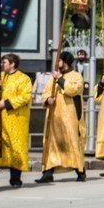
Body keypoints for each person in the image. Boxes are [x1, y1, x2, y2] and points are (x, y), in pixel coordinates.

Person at [36, 51, 86, 184]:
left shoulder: (76, 76)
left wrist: (60, 79)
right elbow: (45, 92)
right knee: (51, 144)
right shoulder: (53, 77)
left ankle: (80, 171)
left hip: (70, 116)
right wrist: (47, 100)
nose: (57, 63)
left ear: (65, 62)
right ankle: (47, 172)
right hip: (54, 117)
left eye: (59, 60)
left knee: (72, 142)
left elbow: (73, 90)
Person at [0, 53, 33, 189]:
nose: (2, 65)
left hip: (16, 120)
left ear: (12, 64)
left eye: (4, 62)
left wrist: (7, 103)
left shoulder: (24, 79)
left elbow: (25, 97)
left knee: (16, 148)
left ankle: (15, 179)